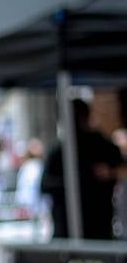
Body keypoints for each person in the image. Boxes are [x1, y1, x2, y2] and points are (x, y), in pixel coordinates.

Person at [41, 98, 126, 240]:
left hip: (95, 230)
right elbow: (45, 185)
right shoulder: (60, 152)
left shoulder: (102, 147)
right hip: (74, 231)